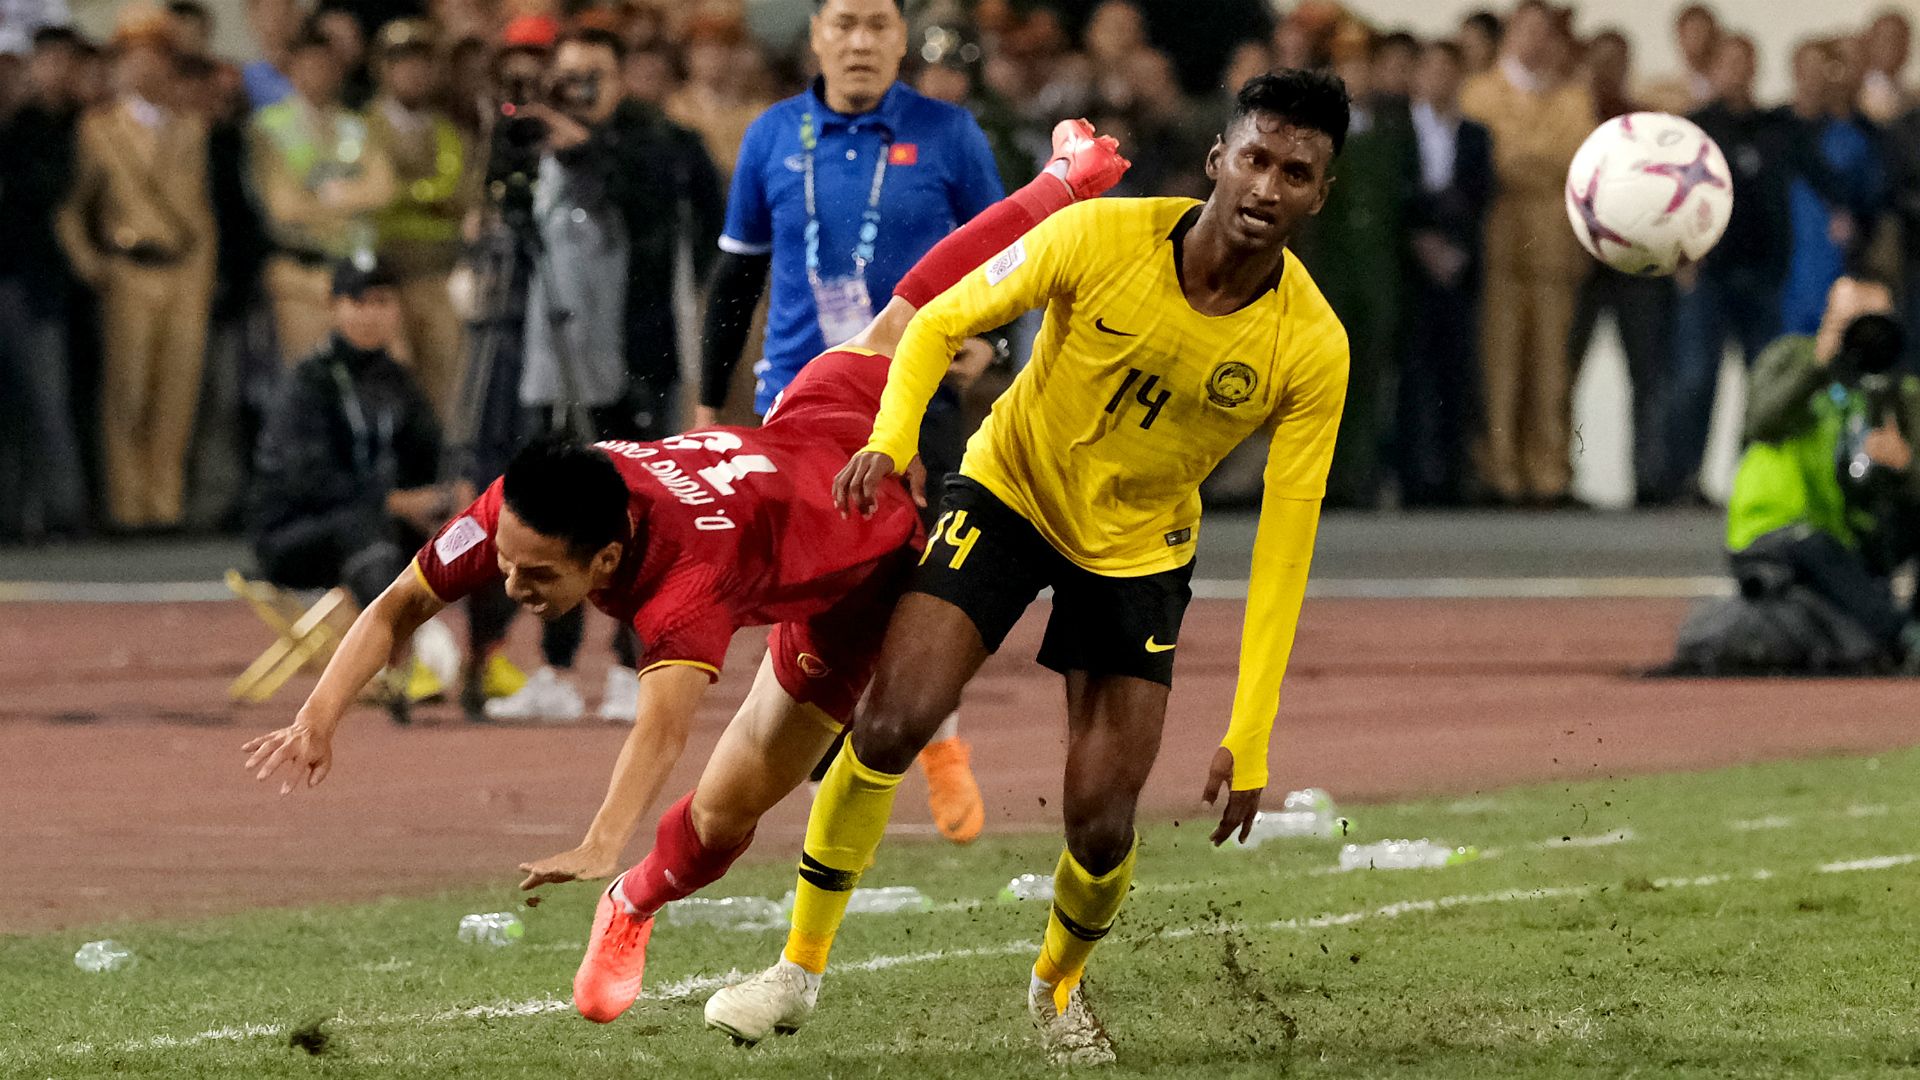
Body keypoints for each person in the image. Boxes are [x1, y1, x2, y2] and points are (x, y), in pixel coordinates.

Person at [240, 122, 1128, 1021]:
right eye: (509, 564)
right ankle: (641, 906)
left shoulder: (684, 582)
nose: (511, 587)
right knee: (727, 822)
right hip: (809, 446)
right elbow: (399, 604)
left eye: (538, 580)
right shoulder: (530, 501)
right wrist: (318, 717)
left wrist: (601, 842)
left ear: (611, 560)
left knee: (744, 805)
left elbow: (659, 735)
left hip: (857, 569)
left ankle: (628, 895)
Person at [705, 71, 1350, 1066]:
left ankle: (1056, 989)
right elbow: (934, 321)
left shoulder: (1310, 347)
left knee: (1100, 825)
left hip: (1137, 549)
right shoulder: (1099, 238)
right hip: (1005, 493)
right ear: (1220, 159)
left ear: (1320, 195)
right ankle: (795, 969)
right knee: (889, 719)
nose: (1268, 186)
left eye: (1295, 172)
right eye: (1257, 158)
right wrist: (891, 431)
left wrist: (1251, 732)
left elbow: (1287, 544)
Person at [695, 0, 1004, 843]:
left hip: (916, 396)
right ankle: (827, 763)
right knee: (814, 588)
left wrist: (994, 341)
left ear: (901, 38)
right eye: (845, 24)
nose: (861, 42)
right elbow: (735, 280)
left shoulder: (950, 135)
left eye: (877, 24)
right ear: (817, 36)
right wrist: (701, 402)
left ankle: (936, 742)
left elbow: (1020, 250)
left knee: (920, 585)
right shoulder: (770, 136)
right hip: (796, 406)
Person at [470, 26, 725, 727]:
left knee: (636, 519)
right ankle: (553, 666)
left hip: (634, 360)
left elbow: (670, 212)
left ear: (621, 79)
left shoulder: (658, 142)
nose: (579, 91)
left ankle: (625, 665)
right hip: (550, 358)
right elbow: (501, 204)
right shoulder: (536, 140)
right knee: (548, 519)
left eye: (594, 77)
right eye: (568, 76)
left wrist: (584, 141)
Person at [248, 260, 462, 717]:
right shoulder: (307, 384)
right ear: (333, 308)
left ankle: (487, 656)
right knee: (364, 525)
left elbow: (432, 458)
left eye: (382, 302)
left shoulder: (399, 382)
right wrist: (396, 502)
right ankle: (394, 656)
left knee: (477, 524)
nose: (370, 315)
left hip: (377, 529)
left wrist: (452, 495)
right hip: (294, 536)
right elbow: (306, 480)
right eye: (357, 302)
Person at [55, 12, 217, 532]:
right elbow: (72, 208)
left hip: (182, 269)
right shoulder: (98, 129)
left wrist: (203, 274)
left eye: (156, 56)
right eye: (135, 56)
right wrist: (92, 265)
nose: (146, 67)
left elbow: (201, 209)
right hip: (128, 268)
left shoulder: (190, 127)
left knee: (177, 390)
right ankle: (127, 505)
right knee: (127, 390)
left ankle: (164, 503)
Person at [1724, 277, 1920, 667]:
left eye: (1873, 325)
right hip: (1776, 528)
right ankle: (1899, 634)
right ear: (1827, 320)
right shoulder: (1791, 358)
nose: (1862, 339)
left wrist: (1904, 467)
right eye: (1851, 324)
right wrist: (1818, 365)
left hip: (1849, 537)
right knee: (1814, 545)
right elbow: (1759, 422)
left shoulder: (1901, 392)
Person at [1460, 0, 1592, 508]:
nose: (1536, 42)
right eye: (1526, 31)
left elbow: (1578, 158)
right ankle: (1500, 471)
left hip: (1556, 250)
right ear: (1512, 34)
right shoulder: (1480, 91)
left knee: (1552, 368)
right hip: (1499, 248)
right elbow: (1500, 161)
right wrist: (1539, 160)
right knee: (1500, 364)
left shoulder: (1573, 98)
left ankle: (1549, 473)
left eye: (1544, 32)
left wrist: (1525, 157)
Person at [1666, 34, 1791, 503]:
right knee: (1696, 378)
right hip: (1709, 273)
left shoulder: (1772, 127)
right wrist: (1681, 254)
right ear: (1713, 69)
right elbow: (1671, 198)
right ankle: (1685, 479)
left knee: (1766, 384)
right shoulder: (1695, 128)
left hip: (1761, 272)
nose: (1737, 71)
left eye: (1746, 61)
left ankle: (1754, 479)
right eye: (1728, 62)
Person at [1566, 29, 1674, 505]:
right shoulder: (1568, 117)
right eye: (1600, 59)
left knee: (1647, 371)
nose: (1608, 69)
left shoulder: (1644, 123)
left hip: (1633, 265)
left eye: (1617, 60)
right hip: (1579, 263)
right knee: (1564, 369)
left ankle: (1649, 477)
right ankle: (1557, 473)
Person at [252, 26, 395, 366]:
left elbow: (383, 190)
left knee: (368, 376)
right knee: (309, 376)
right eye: (309, 64)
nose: (318, 74)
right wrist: (351, 197)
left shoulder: (355, 125)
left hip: (356, 275)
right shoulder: (271, 126)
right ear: (292, 68)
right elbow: (283, 207)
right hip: (302, 275)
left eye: (326, 65)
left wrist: (323, 197)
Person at [0, 26, 89, 541]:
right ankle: (13, 515)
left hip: (34, 289)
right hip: (20, 283)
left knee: (47, 403)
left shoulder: (43, 127)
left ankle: (61, 511)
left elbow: (50, 191)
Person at [1397, 39, 1490, 508]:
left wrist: (1454, 251)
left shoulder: (1476, 134)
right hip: (1410, 267)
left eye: (1446, 70)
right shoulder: (1400, 131)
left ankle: (1453, 478)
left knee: (1457, 373)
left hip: (1459, 267)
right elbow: (1396, 194)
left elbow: (1479, 198)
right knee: (1414, 376)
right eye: (1429, 69)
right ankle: (1413, 478)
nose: (1437, 79)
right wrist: (1422, 242)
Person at [366, 18, 470, 425]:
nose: (412, 71)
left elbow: (460, 194)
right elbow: (377, 196)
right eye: (401, 62)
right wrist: (427, 195)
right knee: (390, 392)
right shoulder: (361, 128)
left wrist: (403, 193)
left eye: (421, 62)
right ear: (383, 68)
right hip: (384, 281)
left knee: (451, 388)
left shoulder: (449, 131)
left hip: (439, 273)